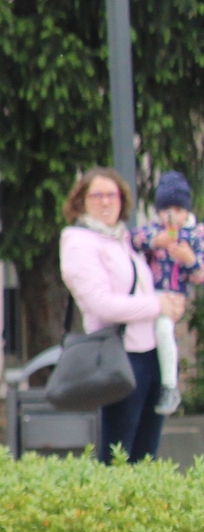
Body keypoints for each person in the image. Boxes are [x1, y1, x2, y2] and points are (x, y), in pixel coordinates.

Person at [60, 167, 184, 463]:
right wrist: (158, 305)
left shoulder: (122, 239)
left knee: (146, 457)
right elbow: (102, 304)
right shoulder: (79, 241)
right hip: (119, 357)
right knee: (117, 457)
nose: (106, 202)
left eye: (112, 195)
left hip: (150, 352)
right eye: (97, 195)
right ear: (81, 201)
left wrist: (170, 302)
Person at [133, 170, 200, 415]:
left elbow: (200, 274)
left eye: (179, 211)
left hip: (172, 296)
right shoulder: (154, 231)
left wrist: (189, 260)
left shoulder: (195, 235)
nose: (172, 217)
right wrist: (155, 241)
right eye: (166, 211)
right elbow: (134, 239)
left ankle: (170, 385)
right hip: (149, 294)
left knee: (163, 330)